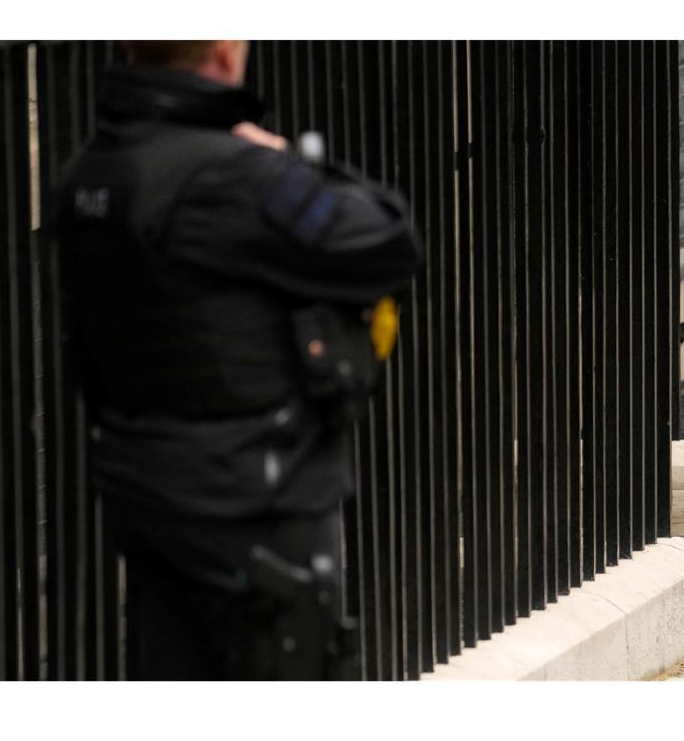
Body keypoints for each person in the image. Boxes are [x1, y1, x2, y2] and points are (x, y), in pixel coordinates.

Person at [47, 40, 422, 679]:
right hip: (258, 505)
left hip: (148, 495)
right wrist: (290, 161)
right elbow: (387, 242)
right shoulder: (236, 176)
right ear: (224, 54)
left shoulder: (92, 173)